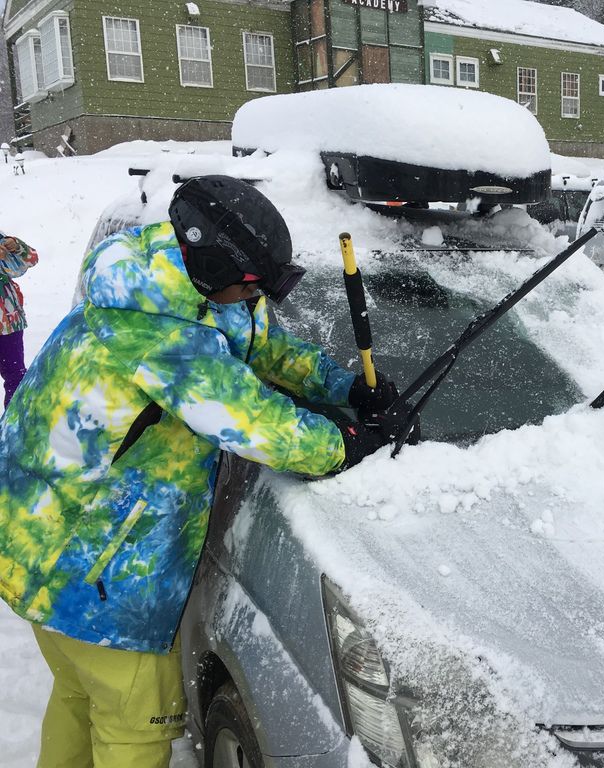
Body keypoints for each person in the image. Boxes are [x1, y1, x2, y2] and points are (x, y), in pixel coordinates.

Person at [0, 175, 401, 768]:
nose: (254, 300)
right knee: (133, 733)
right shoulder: (163, 337)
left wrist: (344, 386)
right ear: (216, 269)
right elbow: (253, 420)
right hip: (93, 579)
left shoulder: (171, 276)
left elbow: (265, 346)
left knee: (82, 699)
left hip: (36, 546)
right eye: (250, 288)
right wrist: (346, 442)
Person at [0, 232, 39, 407]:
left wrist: (15, 247)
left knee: (16, 377)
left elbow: (29, 261)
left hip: (8, 321)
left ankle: (13, 425)